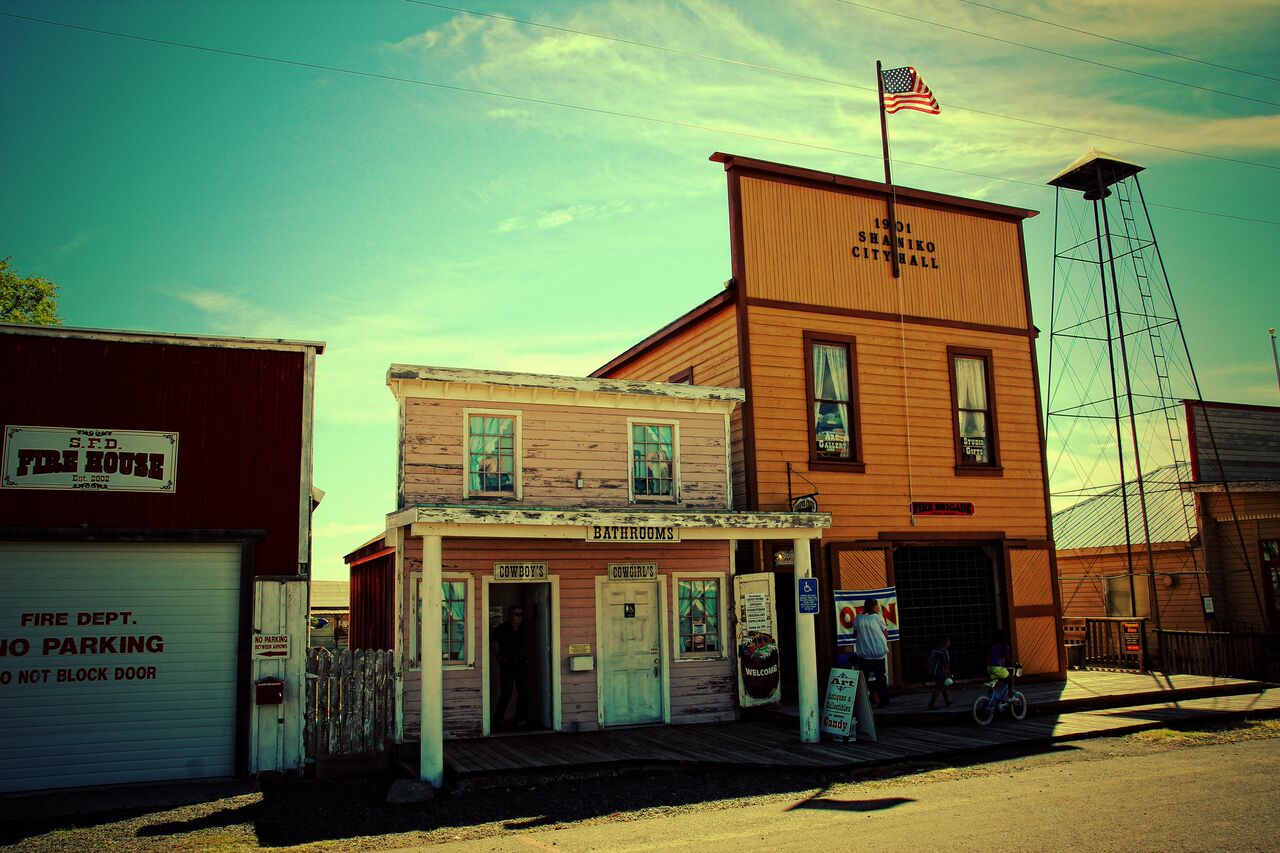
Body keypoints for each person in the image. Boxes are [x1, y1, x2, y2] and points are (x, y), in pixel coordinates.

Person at [492, 605, 529, 729]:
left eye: (520, 614)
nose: (518, 617)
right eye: (515, 614)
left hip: (522, 664)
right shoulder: (502, 628)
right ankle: (498, 719)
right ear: (510, 615)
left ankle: (521, 719)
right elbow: (491, 641)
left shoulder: (524, 629)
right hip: (508, 664)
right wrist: (498, 656)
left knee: (523, 692)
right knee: (506, 693)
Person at [853, 598, 891, 707]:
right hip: (879, 653)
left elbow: (855, 634)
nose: (878, 608)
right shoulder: (879, 618)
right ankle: (884, 701)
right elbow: (886, 634)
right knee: (881, 677)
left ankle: (863, 702)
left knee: (864, 679)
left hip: (865, 654)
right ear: (872, 607)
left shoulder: (858, 619)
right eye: (877, 606)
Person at [927, 634, 953, 710]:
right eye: (949, 642)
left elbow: (928, 661)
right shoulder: (945, 651)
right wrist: (949, 674)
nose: (949, 644)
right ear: (946, 642)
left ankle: (947, 702)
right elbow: (946, 663)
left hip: (933, 672)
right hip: (941, 672)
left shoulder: (935, 650)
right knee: (938, 687)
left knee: (943, 686)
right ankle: (931, 704)